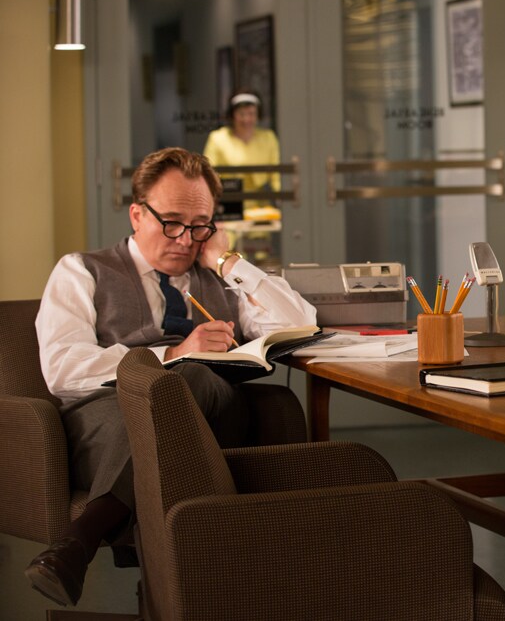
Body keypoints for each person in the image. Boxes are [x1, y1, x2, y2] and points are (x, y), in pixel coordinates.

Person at [25, 147, 316, 607]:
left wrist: (229, 263)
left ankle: (77, 542)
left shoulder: (219, 277)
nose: (186, 238)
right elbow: (64, 368)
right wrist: (174, 354)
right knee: (174, 386)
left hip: (215, 412)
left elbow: (299, 322)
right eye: (173, 222)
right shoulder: (81, 270)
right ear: (137, 214)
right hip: (104, 422)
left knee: (195, 382)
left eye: (200, 225)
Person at [202, 89, 281, 205]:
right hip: (229, 203)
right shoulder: (218, 138)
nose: (246, 119)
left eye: (251, 114)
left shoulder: (268, 138)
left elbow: (277, 176)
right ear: (232, 115)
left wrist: (281, 198)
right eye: (241, 114)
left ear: (258, 115)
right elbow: (208, 174)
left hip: (260, 205)